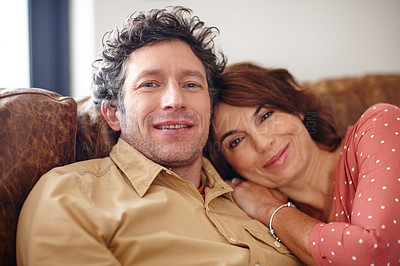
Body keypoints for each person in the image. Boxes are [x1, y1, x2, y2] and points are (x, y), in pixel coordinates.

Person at [16, 7, 302, 265]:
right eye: (150, 84)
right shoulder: (71, 195)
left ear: (210, 106)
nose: (175, 100)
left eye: (191, 84)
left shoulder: (260, 191)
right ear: (114, 113)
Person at [207, 62, 400, 265]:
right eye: (236, 141)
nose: (263, 144)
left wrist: (270, 210)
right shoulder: (265, 230)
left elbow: (372, 254)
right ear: (228, 165)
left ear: (295, 108)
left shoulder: (379, 125)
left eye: (266, 116)